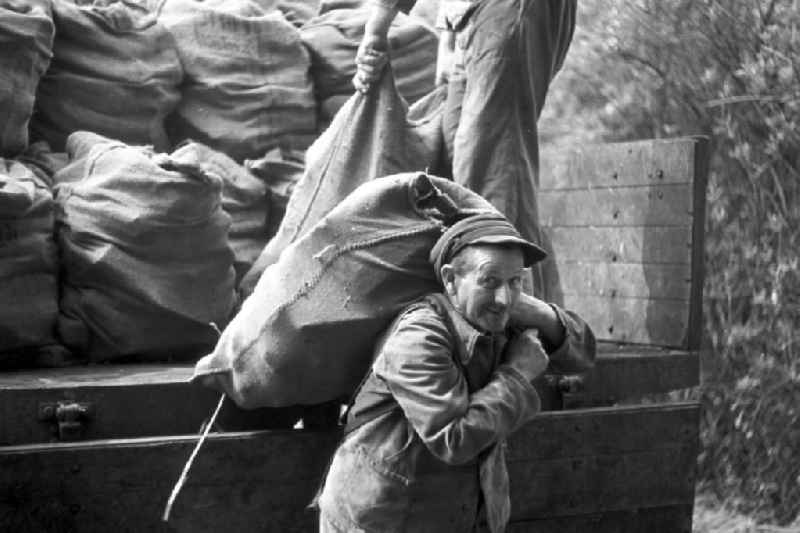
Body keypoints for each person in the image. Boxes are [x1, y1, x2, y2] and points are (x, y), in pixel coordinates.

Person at [316, 211, 595, 532]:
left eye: (515, 281)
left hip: (449, 511)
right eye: (489, 280)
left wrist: (539, 312)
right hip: (383, 519)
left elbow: (582, 356)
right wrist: (517, 373)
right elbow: (454, 439)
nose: (504, 299)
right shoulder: (418, 337)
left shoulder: (497, 313)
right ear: (450, 280)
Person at [354, 0, 577, 303]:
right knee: (457, 175)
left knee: (492, 172)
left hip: (505, 10)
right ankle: (531, 314)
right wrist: (448, 37)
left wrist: (376, 28)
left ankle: (521, 331)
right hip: (468, 16)